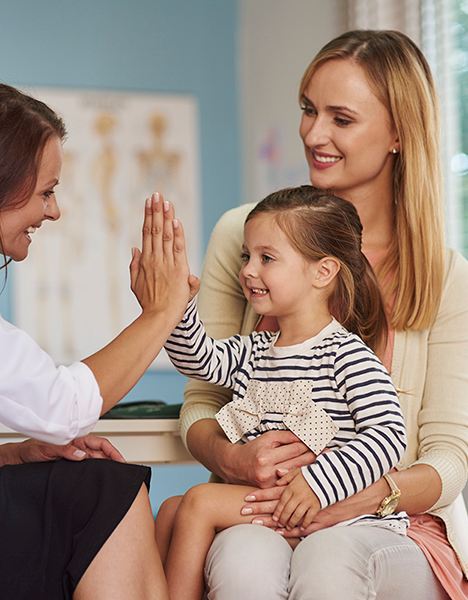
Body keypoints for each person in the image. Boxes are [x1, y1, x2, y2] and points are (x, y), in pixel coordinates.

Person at [0, 81, 199, 600]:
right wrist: (161, 312)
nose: (53, 211)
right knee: (103, 493)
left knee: (94, 486)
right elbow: (58, 406)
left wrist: (14, 456)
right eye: (47, 191)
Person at [180, 30, 468, 599]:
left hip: (392, 523)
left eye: (341, 118)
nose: (314, 134)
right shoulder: (245, 235)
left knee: (329, 556)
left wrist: (353, 497)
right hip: (261, 507)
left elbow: (448, 457)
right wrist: (237, 461)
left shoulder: (446, 275)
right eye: (309, 110)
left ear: (398, 133)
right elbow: (201, 403)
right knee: (241, 560)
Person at [155, 186, 407, 600]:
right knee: (168, 512)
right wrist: (174, 305)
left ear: (323, 272)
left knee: (198, 502)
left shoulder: (346, 355)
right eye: (246, 257)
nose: (249, 271)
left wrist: (316, 483)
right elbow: (197, 360)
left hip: (322, 508)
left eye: (266, 258)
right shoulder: (254, 349)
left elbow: (388, 437)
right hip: (273, 499)